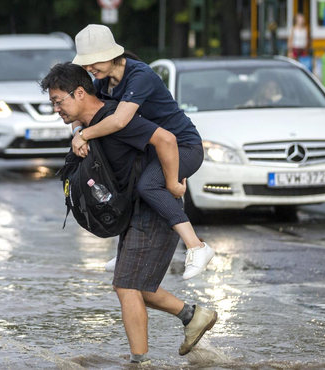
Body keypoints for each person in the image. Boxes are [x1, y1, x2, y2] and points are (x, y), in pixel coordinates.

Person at [41, 63, 218, 363]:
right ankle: (193, 316)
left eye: (59, 101)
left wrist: (174, 180)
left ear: (80, 93)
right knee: (134, 283)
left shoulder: (115, 119)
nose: (56, 108)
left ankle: (140, 362)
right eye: (53, 103)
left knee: (126, 285)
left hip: (155, 209)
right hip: (135, 208)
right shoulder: (93, 122)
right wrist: (80, 134)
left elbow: (166, 139)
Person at [70, 24, 214, 280]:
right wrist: (77, 131)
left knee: (148, 186)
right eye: (86, 63)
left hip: (183, 147)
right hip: (153, 151)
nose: (90, 68)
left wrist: (85, 135)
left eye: (93, 62)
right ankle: (125, 251)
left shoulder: (140, 75)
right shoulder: (103, 82)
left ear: (112, 55)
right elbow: (85, 110)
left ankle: (197, 247)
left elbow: (119, 121)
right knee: (126, 185)